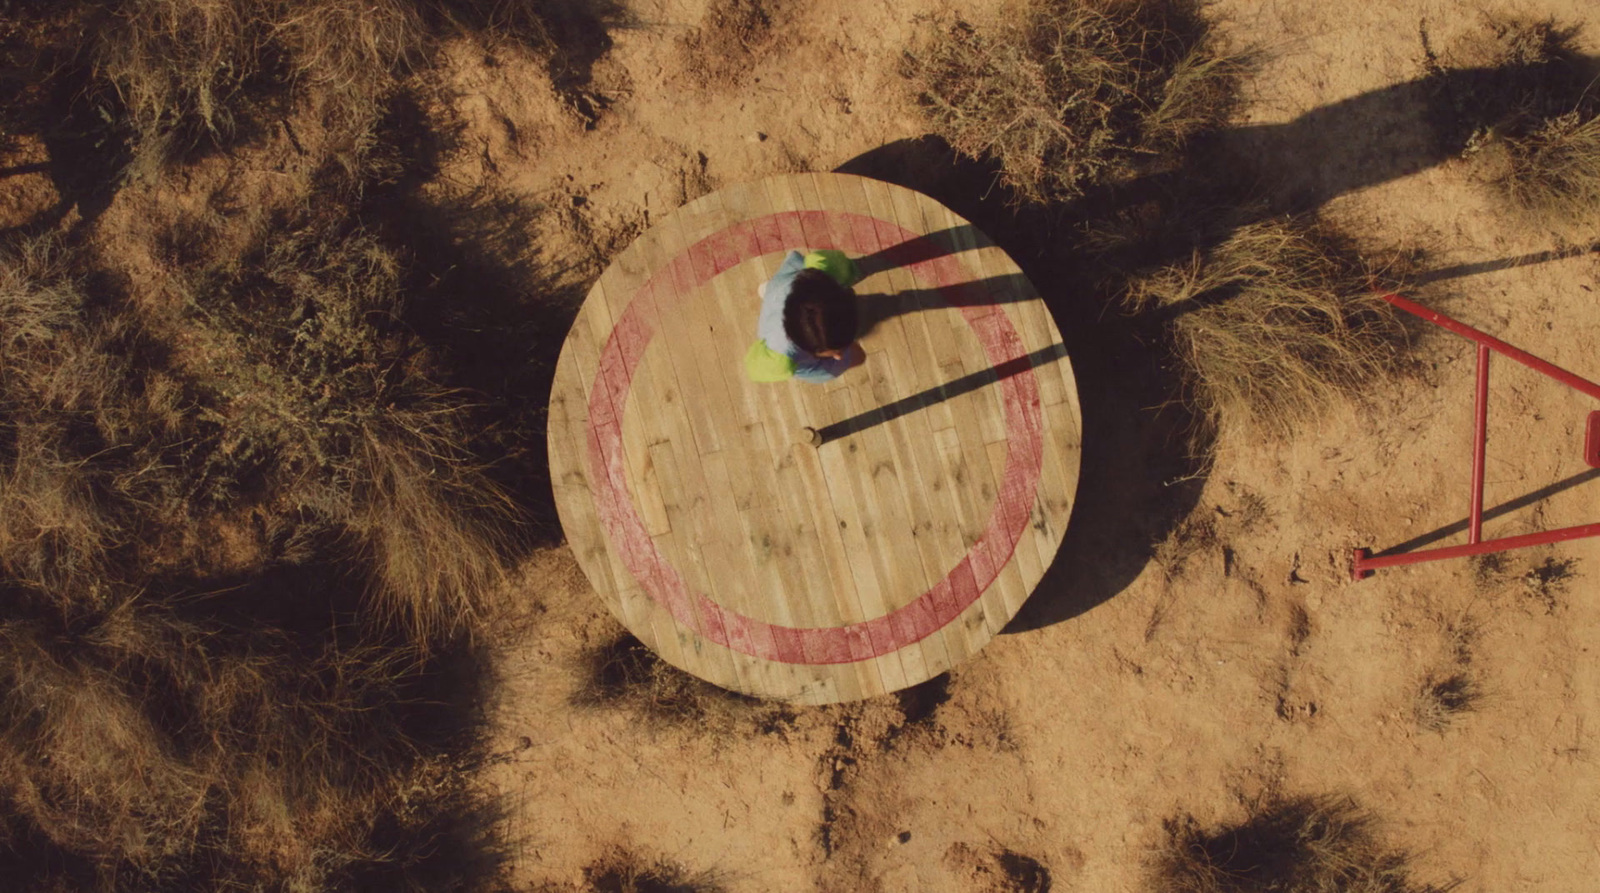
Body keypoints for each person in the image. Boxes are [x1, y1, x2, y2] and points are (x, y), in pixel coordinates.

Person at [745, 249, 865, 383]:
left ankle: (767, 292)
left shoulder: (821, 268)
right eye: (837, 351)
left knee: (856, 357)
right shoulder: (783, 357)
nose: (838, 356)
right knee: (857, 357)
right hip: (781, 291)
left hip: (778, 293)